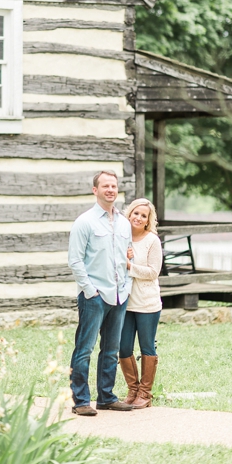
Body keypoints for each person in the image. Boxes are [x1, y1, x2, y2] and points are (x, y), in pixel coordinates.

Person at [67, 170, 134, 416]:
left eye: (114, 186)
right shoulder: (85, 222)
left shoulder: (124, 222)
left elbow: (127, 255)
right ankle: (81, 400)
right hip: (94, 296)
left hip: (119, 295)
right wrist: (90, 291)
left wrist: (126, 286)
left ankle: (106, 397)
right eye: (105, 186)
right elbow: (75, 261)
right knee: (84, 349)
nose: (110, 190)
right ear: (95, 190)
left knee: (111, 349)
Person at [117, 197, 163, 409]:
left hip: (147, 304)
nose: (138, 217)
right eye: (136, 213)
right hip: (125, 303)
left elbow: (153, 272)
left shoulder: (152, 240)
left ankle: (145, 393)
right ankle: (132, 389)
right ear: (129, 214)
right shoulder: (121, 237)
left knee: (147, 347)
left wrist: (130, 266)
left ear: (147, 221)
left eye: (143, 215)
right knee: (123, 347)